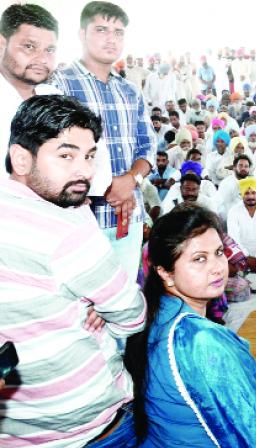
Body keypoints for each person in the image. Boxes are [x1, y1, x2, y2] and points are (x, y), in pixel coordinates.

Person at [0, 95, 145, 446]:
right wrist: (92, 306)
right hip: (85, 426)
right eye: (66, 156)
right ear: (21, 158)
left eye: (90, 155)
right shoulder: (68, 227)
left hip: (16, 430)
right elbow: (132, 316)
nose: (84, 171)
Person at [124, 204, 256, 446]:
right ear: (165, 272)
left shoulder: (157, 313)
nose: (217, 267)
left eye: (219, 252)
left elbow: (241, 376)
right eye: (199, 259)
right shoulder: (199, 340)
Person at [48, 2, 157, 279]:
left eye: (118, 32)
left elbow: (148, 146)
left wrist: (131, 179)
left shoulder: (129, 90)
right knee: (83, 314)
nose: (111, 39)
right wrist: (107, 185)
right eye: (101, 29)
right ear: (82, 34)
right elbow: (51, 153)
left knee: (123, 310)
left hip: (127, 220)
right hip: (79, 222)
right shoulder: (59, 84)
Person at [0, 4, 62, 168]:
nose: (42, 59)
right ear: (1, 45)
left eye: (50, 50)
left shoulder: (54, 96)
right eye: (29, 47)